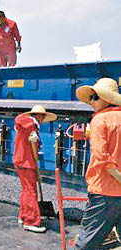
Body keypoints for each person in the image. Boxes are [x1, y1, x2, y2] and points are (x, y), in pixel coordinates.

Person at [74, 78, 121, 249]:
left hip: (104, 192)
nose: (91, 102)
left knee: (87, 242)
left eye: (94, 97)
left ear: (107, 98)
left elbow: (102, 158)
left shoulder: (99, 120)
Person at [13, 105, 57, 233]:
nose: (43, 118)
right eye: (42, 116)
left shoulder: (34, 127)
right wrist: (31, 122)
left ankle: (23, 216)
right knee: (31, 192)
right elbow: (18, 119)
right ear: (36, 115)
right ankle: (31, 221)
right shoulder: (28, 123)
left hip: (26, 163)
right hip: (25, 162)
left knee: (27, 190)